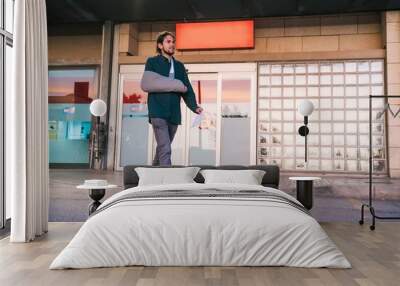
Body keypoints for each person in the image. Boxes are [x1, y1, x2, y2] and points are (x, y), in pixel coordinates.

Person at [144, 31, 203, 166]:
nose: (172, 44)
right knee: (166, 148)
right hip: (157, 112)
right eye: (168, 42)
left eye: (173, 42)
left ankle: (152, 175)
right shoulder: (152, 62)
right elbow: (148, 83)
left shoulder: (179, 66)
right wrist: (175, 84)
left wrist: (195, 107)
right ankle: (168, 180)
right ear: (160, 45)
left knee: (162, 147)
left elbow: (187, 89)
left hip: (174, 114)